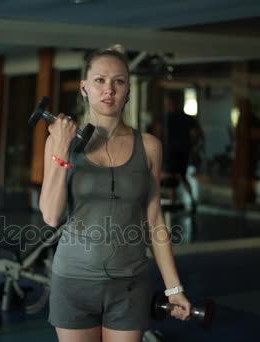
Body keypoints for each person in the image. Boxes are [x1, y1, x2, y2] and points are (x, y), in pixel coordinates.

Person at [39, 44, 191, 342]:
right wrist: (59, 151)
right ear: (85, 88)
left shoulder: (148, 146)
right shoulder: (60, 143)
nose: (109, 89)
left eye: (118, 81)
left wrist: (174, 288)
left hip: (130, 282)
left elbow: (155, 220)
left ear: (128, 89)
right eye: (100, 80)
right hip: (74, 280)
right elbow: (51, 216)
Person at [162, 90, 204, 230]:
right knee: (180, 176)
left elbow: (198, 132)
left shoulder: (168, 118)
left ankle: (177, 202)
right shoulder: (184, 118)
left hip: (173, 151)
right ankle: (187, 201)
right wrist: (193, 144)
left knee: (174, 176)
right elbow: (198, 132)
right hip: (180, 150)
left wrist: (193, 145)